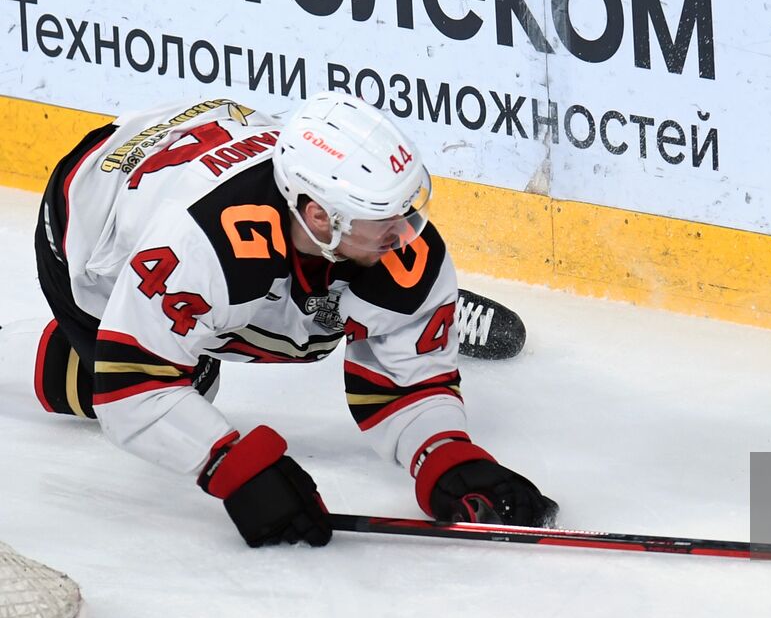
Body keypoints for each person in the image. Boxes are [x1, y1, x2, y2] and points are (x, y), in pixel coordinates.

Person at [31, 92, 556, 546]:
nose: (406, 234)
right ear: (320, 217)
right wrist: (233, 468)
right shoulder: (202, 244)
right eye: (384, 221)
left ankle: (380, 315)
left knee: (359, 298)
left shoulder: (374, 233)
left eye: (404, 209)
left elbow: (406, 386)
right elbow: (134, 392)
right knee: (172, 385)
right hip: (93, 234)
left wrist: (445, 454)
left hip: (217, 170)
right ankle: (99, 342)